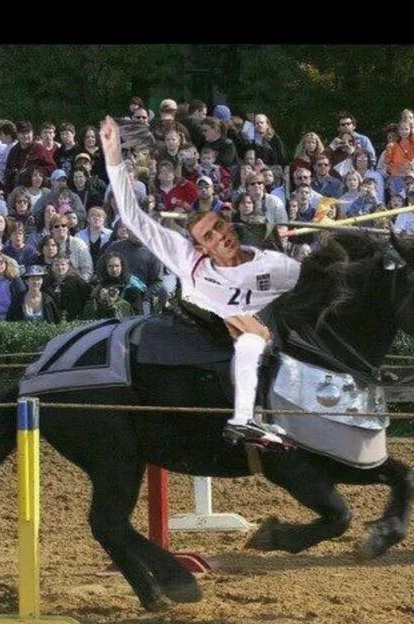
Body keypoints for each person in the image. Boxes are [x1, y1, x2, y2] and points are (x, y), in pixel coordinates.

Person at [101, 115, 302, 445]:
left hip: (237, 305)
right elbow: (132, 216)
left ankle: (267, 412)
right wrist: (113, 160)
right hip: (202, 304)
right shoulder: (181, 250)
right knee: (254, 338)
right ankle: (243, 419)